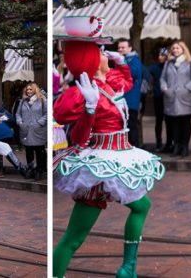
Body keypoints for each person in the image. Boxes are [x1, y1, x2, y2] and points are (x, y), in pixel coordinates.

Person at [52, 17, 165, 277]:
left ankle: (128, 267)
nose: (107, 54)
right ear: (90, 58)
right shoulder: (83, 91)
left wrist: (123, 61)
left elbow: (129, 81)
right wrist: (89, 110)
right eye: (101, 51)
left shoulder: (106, 83)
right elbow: (79, 138)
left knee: (141, 206)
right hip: (98, 167)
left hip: (119, 159)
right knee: (74, 238)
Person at [160, 41, 191, 157]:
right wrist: (164, 88)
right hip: (171, 97)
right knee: (174, 123)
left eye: (178, 48)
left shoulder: (190, 61)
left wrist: (188, 88)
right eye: (173, 48)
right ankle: (176, 146)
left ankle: (185, 147)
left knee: (185, 122)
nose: (175, 50)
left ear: (183, 49)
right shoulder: (168, 63)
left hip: (185, 97)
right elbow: (163, 78)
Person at [15, 82, 47, 180]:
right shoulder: (23, 101)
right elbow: (18, 113)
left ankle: (40, 170)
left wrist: (39, 123)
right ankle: (30, 169)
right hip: (26, 130)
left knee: (39, 151)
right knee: (28, 150)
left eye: (30, 89)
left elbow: (47, 113)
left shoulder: (42, 100)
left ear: (35, 90)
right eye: (27, 89)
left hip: (38, 130)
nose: (28, 91)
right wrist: (20, 122)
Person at [117, 38, 144, 148]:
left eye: (123, 47)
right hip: (123, 98)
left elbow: (135, 73)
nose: (120, 49)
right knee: (125, 125)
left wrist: (121, 62)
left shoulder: (134, 59)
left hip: (131, 99)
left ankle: (135, 147)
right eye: (119, 48)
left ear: (130, 48)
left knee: (131, 125)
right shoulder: (122, 59)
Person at [146, 50, 168, 151]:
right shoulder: (154, 66)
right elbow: (146, 73)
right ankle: (159, 143)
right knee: (159, 121)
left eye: (163, 55)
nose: (160, 57)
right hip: (158, 96)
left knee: (170, 122)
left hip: (169, 96)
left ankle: (169, 143)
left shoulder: (169, 66)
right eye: (159, 54)